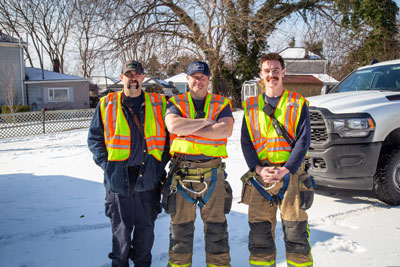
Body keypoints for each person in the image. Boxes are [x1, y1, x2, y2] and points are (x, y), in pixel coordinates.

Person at [88, 60, 170, 267]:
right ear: (121, 77)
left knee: (145, 233)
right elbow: (95, 139)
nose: (132, 78)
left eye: (137, 75)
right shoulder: (106, 104)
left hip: (149, 179)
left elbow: (170, 139)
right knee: (121, 235)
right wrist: (106, 165)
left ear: (143, 77)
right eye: (128, 74)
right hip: (118, 180)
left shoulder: (159, 104)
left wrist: (160, 165)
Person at [240, 53, 314, 267]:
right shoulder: (251, 105)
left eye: (275, 70)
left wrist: (287, 169)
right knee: (259, 238)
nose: (271, 74)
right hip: (261, 178)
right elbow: (246, 142)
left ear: (283, 72)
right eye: (267, 71)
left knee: (296, 235)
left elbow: (303, 139)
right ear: (260, 75)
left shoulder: (297, 103)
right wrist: (257, 169)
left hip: (291, 177)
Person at [163, 60, 234, 267]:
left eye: (203, 77)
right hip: (182, 173)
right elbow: (173, 125)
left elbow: (224, 130)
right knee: (180, 232)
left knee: (217, 230)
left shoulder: (221, 103)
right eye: (195, 77)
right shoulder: (176, 101)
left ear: (209, 79)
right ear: (188, 79)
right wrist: (206, 122)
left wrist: (188, 128)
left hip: (214, 172)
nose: (199, 81)